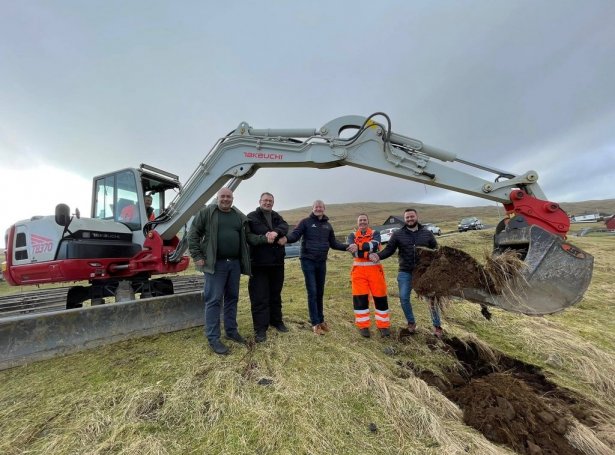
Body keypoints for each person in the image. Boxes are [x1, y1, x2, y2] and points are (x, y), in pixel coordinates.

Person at [188, 187, 270, 355]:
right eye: (222, 196)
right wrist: (197, 255)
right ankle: (213, 338)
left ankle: (231, 331)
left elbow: (248, 237)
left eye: (229, 197)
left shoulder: (238, 216)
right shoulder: (206, 213)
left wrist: (264, 238)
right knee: (214, 300)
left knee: (232, 298)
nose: (225, 199)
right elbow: (193, 234)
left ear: (233, 198)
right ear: (217, 198)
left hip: (234, 264)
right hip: (215, 265)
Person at [279, 200, 356, 335]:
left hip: (321, 262)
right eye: (316, 207)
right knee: (313, 291)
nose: (318, 209)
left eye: (321, 207)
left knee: (320, 291)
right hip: (308, 260)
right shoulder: (305, 222)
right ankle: (315, 323)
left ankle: (321, 320)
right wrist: (286, 238)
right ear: (313, 208)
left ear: (324, 209)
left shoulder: (328, 226)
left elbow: (334, 243)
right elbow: (295, 234)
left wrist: (347, 247)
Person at [369, 208, 443, 337]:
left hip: (424, 272)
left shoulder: (427, 233)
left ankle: (437, 326)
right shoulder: (398, 234)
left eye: (411, 216)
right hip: (405, 271)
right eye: (407, 217)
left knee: (431, 299)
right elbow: (389, 250)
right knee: (403, 298)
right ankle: (411, 323)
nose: (410, 219)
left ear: (416, 216)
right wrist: (378, 256)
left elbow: (436, 251)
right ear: (404, 219)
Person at [247, 192, 290, 343]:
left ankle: (276, 321)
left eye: (270, 200)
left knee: (275, 294)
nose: (268, 203)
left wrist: (277, 232)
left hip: (277, 263)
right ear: (260, 201)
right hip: (259, 264)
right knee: (260, 297)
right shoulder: (252, 217)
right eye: (265, 200)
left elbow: (284, 226)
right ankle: (260, 328)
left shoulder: (277, 216)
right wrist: (266, 238)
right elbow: (249, 237)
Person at [347, 214, 390, 338]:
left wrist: (359, 247)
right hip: (358, 273)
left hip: (375, 271)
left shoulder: (375, 233)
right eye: (360, 220)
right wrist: (367, 254)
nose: (362, 222)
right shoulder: (351, 236)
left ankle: (383, 326)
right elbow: (353, 253)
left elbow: (374, 246)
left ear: (368, 221)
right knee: (360, 299)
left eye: (364, 220)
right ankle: (363, 326)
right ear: (357, 222)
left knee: (380, 298)